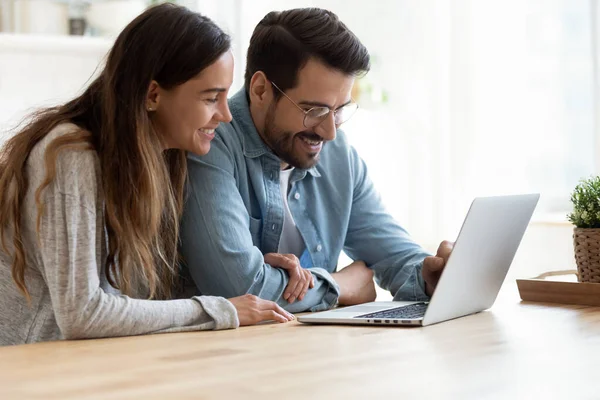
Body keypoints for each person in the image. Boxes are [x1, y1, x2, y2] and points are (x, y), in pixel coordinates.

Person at [0, 3, 293, 346]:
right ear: (153, 94)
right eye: (212, 98)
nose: (225, 115)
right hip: (30, 369)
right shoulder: (70, 156)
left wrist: (259, 265)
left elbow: (147, 298)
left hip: (97, 362)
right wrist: (221, 310)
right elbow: (82, 314)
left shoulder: (160, 159)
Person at [180, 7, 454, 313]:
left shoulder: (337, 155)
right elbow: (240, 288)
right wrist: (341, 285)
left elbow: (393, 254)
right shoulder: (209, 143)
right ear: (260, 90)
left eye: (338, 110)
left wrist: (430, 275)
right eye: (315, 110)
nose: (329, 132)